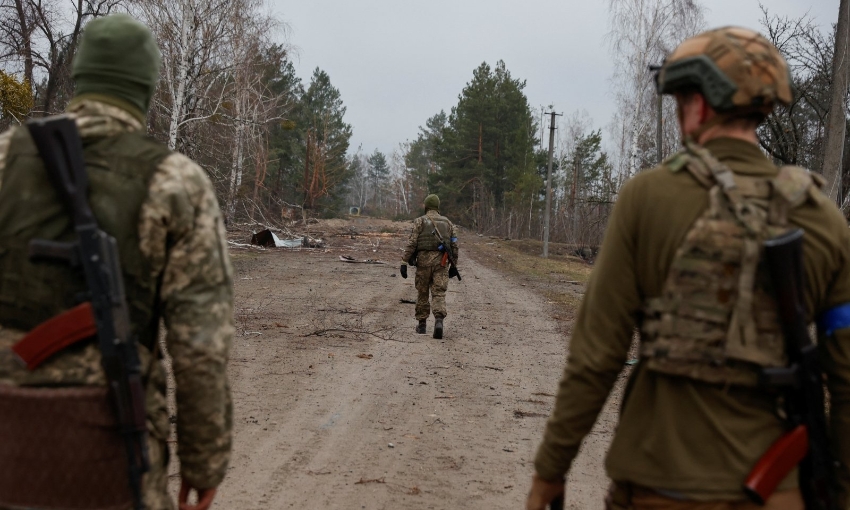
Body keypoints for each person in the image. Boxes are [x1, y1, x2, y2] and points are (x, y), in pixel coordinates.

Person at [526, 27, 850, 510]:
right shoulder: (823, 219)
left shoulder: (647, 198)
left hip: (659, 485)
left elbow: (596, 357)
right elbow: (845, 382)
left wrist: (552, 469)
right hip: (777, 490)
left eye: (680, 99)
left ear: (699, 103)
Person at [0, 14, 233, 510]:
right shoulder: (177, 183)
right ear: (145, 89)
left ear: (79, 79)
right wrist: (204, 461)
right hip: (111, 445)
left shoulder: (3, 159)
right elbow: (200, 346)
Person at [400, 194, 458, 339]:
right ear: (438, 207)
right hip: (441, 263)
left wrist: (404, 262)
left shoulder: (420, 221)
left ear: (426, 206)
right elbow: (454, 246)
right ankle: (438, 320)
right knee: (439, 292)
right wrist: (453, 265)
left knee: (422, 292)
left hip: (423, 263)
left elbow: (412, 243)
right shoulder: (449, 223)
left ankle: (422, 325)